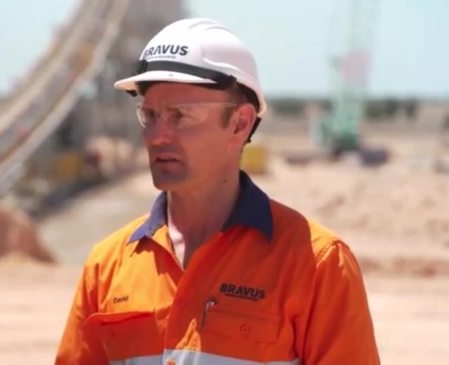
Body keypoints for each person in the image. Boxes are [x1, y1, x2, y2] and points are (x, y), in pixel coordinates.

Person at [55, 18, 379, 365]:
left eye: (180, 115)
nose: (156, 135)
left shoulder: (317, 265)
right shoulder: (107, 266)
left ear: (240, 124)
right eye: (149, 115)